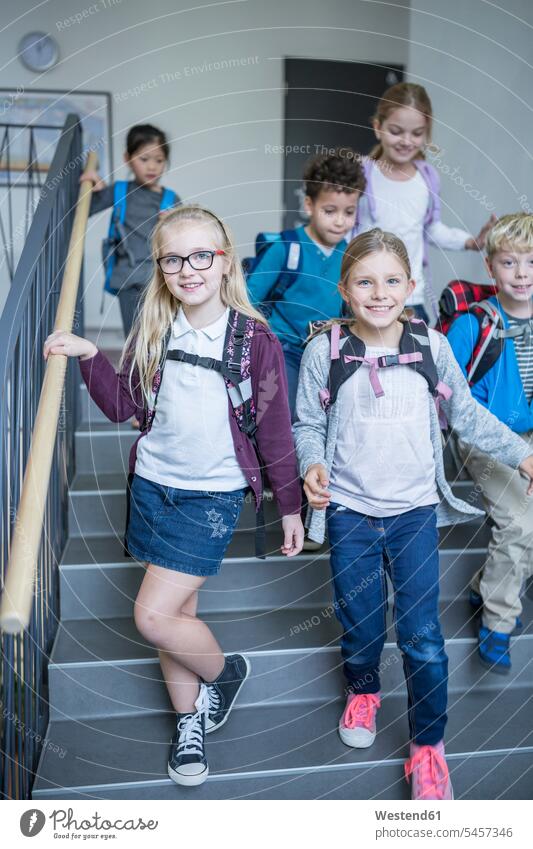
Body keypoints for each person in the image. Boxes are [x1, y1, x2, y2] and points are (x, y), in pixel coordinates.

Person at [44, 204, 304, 788]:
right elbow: (124, 407)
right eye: (172, 259)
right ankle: (190, 723)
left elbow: (274, 427)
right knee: (178, 615)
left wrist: (290, 504)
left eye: (201, 256)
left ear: (224, 262)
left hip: (211, 499)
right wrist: (90, 357)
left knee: (154, 617)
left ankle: (225, 673)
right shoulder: (156, 329)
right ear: (160, 268)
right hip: (153, 487)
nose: (188, 269)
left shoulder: (252, 339)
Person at [293, 228, 533, 800]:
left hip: (414, 515)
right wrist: (310, 466)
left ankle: (428, 747)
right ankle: (364, 688)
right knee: (360, 625)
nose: (380, 293)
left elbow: (468, 416)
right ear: (346, 291)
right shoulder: (323, 350)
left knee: (423, 635)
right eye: (365, 282)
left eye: (392, 281)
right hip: (350, 512)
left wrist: (522, 455)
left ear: (411, 285)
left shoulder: (431, 346)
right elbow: (307, 424)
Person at [447, 212, 533, 674]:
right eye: (510, 263)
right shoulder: (473, 324)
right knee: (521, 525)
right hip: (487, 438)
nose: (522, 274)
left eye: (532, 263)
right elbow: (453, 400)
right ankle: (498, 622)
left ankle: (485, 583)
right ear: (490, 268)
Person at [352, 82, 496, 322]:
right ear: (378, 127)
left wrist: (471, 242)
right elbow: (346, 230)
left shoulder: (427, 177)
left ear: (426, 133)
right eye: (396, 131)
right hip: (366, 295)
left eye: (416, 133)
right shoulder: (362, 173)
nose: (406, 140)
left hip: (410, 297)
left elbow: (430, 229)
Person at [246, 148, 365, 418]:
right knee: (281, 419)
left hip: (327, 355)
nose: (340, 221)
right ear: (309, 205)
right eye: (330, 210)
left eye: (349, 212)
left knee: (322, 422)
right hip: (282, 352)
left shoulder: (351, 256)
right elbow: (247, 301)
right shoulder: (285, 247)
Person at [82, 123, 180, 338]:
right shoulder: (118, 191)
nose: (152, 167)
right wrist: (89, 182)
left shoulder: (171, 200)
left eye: (159, 160)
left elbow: (185, 240)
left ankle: (158, 371)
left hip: (162, 280)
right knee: (135, 337)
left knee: (164, 336)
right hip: (129, 279)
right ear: (128, 159)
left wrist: (173, 224)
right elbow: (80, 211)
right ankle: (135, 371)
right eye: (144, 159)